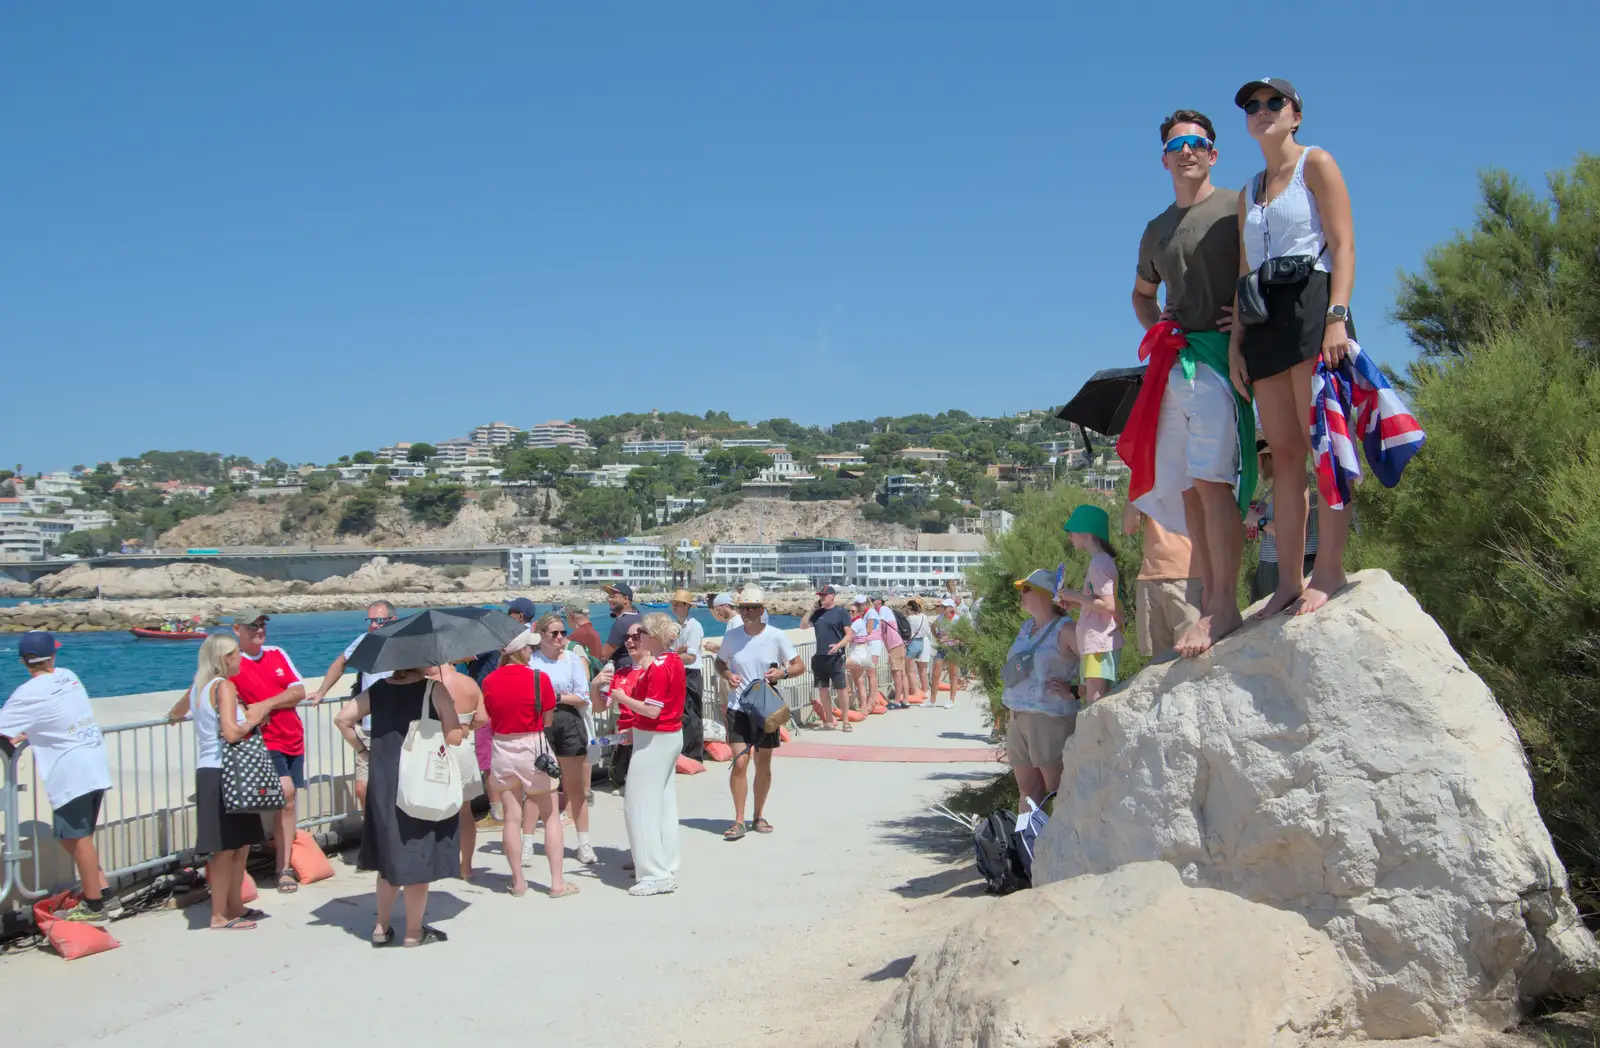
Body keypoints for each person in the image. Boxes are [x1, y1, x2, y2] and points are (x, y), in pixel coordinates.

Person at [1126, 108, 1254, 659]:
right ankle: (1209, 602)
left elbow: (1260, 268)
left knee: (1213, 480)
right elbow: (1140, 294)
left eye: (1198, 142)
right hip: (1176, 362)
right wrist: (1160, 328)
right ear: (1164, 159)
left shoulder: (1236, 207)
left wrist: (1245, 322)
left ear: (1213, 153)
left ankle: (1224, 605)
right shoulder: (1156, 229)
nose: (1188, 151)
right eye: (1178, 144)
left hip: (1224, 358)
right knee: (1187, 486)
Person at [1230, 77, 1355, 618]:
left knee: (1324, 441)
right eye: (1252, 107)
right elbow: (1243, 270)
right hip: (1262, 317)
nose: (1262, 111)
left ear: (1295, 113)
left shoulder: (1317, 163)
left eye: (1272, 103)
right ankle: (1288, 580)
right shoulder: (1248, 191)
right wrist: (1237, 342)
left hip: (1312, 302)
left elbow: (1345, 241)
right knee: (1284, 455)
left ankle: (1328, 569)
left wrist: (1337, 318)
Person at [334, 664, 466, 946]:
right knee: (417, 853)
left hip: (384, 779)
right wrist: (460, 724)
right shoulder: (433, 689)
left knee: (390, 855)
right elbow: (453, 736)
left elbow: (343, 719)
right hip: (419, 780)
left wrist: (363, 751)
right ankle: (413, 932)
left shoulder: (378, 689)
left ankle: (381, 928)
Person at [0, 632, 115, 924]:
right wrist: (31, 732)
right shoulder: (68, 676)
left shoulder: (27, 693)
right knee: (72, 837)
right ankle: (104, 893)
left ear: (24, 662)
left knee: (77, 838)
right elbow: (56, 714)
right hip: (93, 763)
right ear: (53, 656)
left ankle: (94, 906)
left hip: (70, 772)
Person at [167, 633, 268, 930]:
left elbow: (178, 710)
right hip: (226, 772)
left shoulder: (200, 686)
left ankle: (233, 905)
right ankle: (220, 914)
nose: (241, 659)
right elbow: (232, 733)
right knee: (226, 848)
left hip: (210, 770)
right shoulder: (225, 686)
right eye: (237, 653)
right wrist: (253, 717)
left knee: (238, 845)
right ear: (226, 658)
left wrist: (173, 716)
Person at [480, 631, 575, 898]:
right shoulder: (537, 678)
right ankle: (557, 883)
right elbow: (546, 720)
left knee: (512, 817)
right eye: (530, 648)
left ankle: (518, 882)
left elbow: (490, 715)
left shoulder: (489, 681)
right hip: (532, 746)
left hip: (502, 747)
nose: (533, 652)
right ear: (520, 650)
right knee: (551, 816)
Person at [229, 607, 309, 895]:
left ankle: (283, 866)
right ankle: (253, 867)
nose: (259, 630)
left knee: (288, 802)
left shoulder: (277, 653)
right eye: (252, 626)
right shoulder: (232, 662)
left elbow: (298, 691)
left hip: (292, 737)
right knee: (284, 793)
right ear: (237, 629)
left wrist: (265, 705)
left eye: (262, 624)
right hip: (263, 741)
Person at [714, 585, 803, 841]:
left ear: (762, 609)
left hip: (766, 709)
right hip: (738, 707)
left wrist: (781, 673)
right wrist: (728, 673)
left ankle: (758, 815)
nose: (747, 612)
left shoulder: (776, 636)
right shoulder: (732, 637)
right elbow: (720, 662)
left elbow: (799, 665)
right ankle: (739, 820)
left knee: (763, 764)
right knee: (740, 761)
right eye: (743, 608)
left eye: (752, 608)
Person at [611, 614, 686, 896]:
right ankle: (666, 860)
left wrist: (622, 698)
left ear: (652, 636)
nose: (636, 637)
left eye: (641, 632)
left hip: (654, 738)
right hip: (668, 736)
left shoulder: (658, 668)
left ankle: (654, 873)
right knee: (664, 802)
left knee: (639, 805)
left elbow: (652, 710)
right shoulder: (672, 661)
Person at [311, 600, 398, 807]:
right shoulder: (364, 640)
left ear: (393, 620)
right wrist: (322, 692)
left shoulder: (404, 642)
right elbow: (341, 662)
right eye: (371, 620)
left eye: (379, 620)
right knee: (363, 787)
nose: (374, 625)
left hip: (398, 727)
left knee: (395, 786)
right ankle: (373, 833)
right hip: (369, 728)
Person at [1003, 571, 1079, 808]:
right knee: (1026, 789)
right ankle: (1027, 843)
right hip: (1017, 716)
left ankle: (1062, 843)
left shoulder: (1066, 630)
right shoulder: (1026, 627)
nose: (1022, 595)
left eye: (1027, 590)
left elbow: (1096, 665)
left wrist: (1076, 691)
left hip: (1049, 718)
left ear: (1046, 594)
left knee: (1058, 789)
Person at [530, 612, 597, 865]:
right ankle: (529, 841)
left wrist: (554, 697)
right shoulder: (532, 661)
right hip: (541, 724)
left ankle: (584, 843)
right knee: (539, 786)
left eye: (563, 632)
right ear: (542, 636)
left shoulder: (571, 659)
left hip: (568, 722)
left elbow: (583, 696)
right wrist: (560, 694)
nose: (560, 638)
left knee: (574, 786)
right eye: (554, 633)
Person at [1055, 506, 1124, 705]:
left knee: (1095, 699)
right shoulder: (1102, 561)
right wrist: (1076, 603)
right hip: (1098, 642)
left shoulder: (1099, 563)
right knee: (1097, 696)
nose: (1070, 536)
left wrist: (1074, 595)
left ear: (1086, 533)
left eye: (1072, 531)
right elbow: (1102, 603)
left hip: (1099, 643)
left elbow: (1108, 605)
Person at [1121, 504, 1202, 659]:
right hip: (1151, 578)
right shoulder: (1147, 485)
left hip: (1190, 576)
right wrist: (1136, 487)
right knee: (1158, 661)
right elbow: (1129, 526)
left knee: (1191, 655)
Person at [431, 662, 486, 880]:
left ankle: (437, 862)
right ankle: (466, 867)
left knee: (431, 809)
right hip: (462, 747)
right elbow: (482, 718)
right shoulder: (469, 682)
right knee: (465, 810)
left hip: (436, 748)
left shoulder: (430, 685)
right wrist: (466, 728)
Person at [800, 586, 852, 730]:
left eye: (824, 595)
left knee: (841, 689)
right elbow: (803, 626)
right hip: (820, 657)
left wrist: (839, 645)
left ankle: (846, 721)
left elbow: (849, 634)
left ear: (832, 596)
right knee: (823, 689)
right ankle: (828, 721)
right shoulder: (818, 613)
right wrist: (811, 610)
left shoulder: (841, 613)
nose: (821, 598)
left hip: (836, 657)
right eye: (820, 595)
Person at [669, 589, 705, 760]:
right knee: (682, 714)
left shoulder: (694, 626)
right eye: (673, 603)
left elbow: (690, 657)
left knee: (692, 714)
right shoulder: (676, 626)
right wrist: (677, 653)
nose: (674, 606)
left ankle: (694, 754)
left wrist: (673, 655)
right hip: (680, 672)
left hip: (691, 674)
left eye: (678, 603)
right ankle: (684, 753)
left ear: (686, 606)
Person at [874, 597, 911, 711]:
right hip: (899, 643)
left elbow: (877, 626)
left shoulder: (883, 610)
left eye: (873, 602)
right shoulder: (887, 611)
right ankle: (905, 700)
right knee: (902, 672)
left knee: (896, 673)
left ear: (879, 602)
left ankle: (896, 702)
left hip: (894, 645)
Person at [841, 599, 873, 728]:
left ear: (859, 612)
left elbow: (848, 636)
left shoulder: (857, 623)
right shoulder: (859, 622)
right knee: (859, 682)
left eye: (853, 611)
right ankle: (863, 708)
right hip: (862, 652)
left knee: (839, 665)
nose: (850, 613)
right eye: (848, 611)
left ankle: (847, 687)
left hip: (858, 654)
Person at [599, 583, 643, 671]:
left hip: (625, 671)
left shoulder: (622, 623)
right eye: (610, 597)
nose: (610, 600)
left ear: (625, 599)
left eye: (614, 597)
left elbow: (604, 655)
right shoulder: (640, 616)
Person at [929, 598, 962, 703]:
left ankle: (951, 700)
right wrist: (937, 637)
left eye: (944, 607)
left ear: (951, 608)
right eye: (942, 606)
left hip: (953, 648)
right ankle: (932, 700)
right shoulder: (940, 618)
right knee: (935, 674)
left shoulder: (957, 619)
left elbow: (965, 631)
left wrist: (958, 640)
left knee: (953, 674)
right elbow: (933, 627)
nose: (942, 608)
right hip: (942, 648)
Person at [902, 599, 933, 701]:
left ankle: (914, 692)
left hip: (913, 643)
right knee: (922, 669)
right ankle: (924, 691)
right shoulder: (924, 616)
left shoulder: (910, 618)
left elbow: (906, 631)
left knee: (910, 671)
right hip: (921, 643)